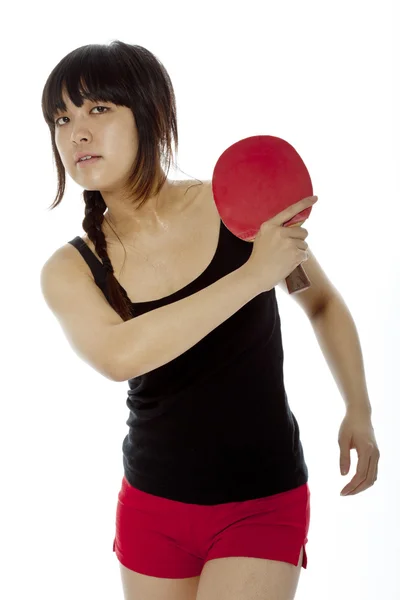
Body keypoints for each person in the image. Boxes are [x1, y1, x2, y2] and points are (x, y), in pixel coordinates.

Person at [39, 40, 379, 600]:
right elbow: (119, 355)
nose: (77, 132)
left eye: (98, 109)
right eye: (61, 117)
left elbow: (320, 302)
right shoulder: (70, 269)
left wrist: (359, 409)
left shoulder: (235, 206)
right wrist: (251, 276)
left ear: (151, 115)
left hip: (262, 499)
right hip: (152, 505)